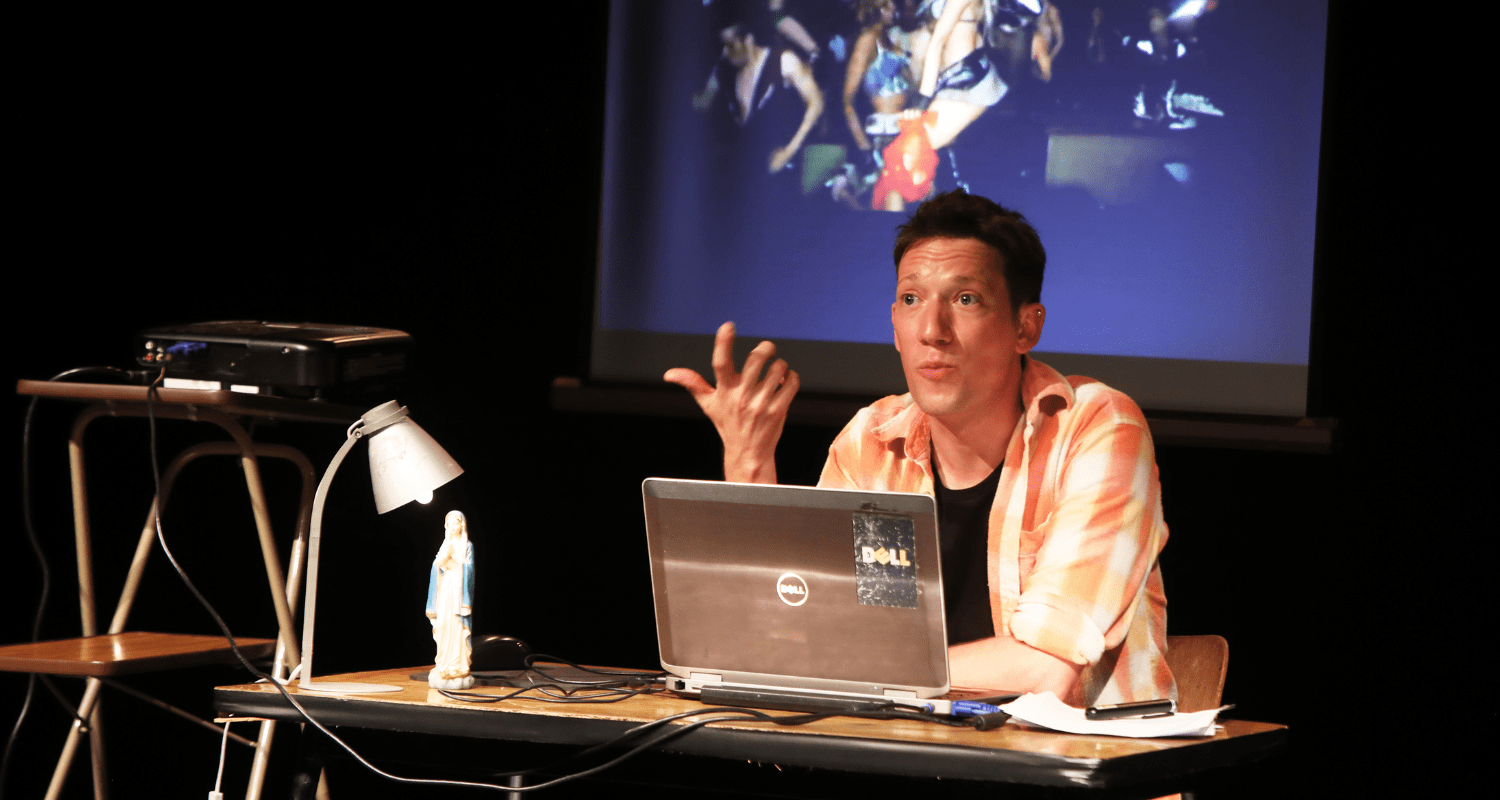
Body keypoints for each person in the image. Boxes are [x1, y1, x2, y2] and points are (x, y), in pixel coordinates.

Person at [664, 191, 1173, 707]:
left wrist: (853, 670)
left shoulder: (1095, 428)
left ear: (1026, 327)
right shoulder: (871, 442)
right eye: (911, 300)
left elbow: (1044, 669)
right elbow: (793, 639)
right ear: (894, 325)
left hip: (1075, 753)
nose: (932, 331)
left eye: (965, 300)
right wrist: (749, 464)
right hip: (907, 747)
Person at [426, 510, 475, 690]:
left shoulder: (467, 545)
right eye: (450, 523)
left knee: (457, 626)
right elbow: (437, 565)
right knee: (443, 625)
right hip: (446, 587)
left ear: (462, 524)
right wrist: (442, 561)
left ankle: (457, 666)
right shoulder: (445, 544)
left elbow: (469, 569)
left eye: (456, 523)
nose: (453, 527)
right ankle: (443, 665)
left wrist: (457, 562)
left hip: (458, 589)